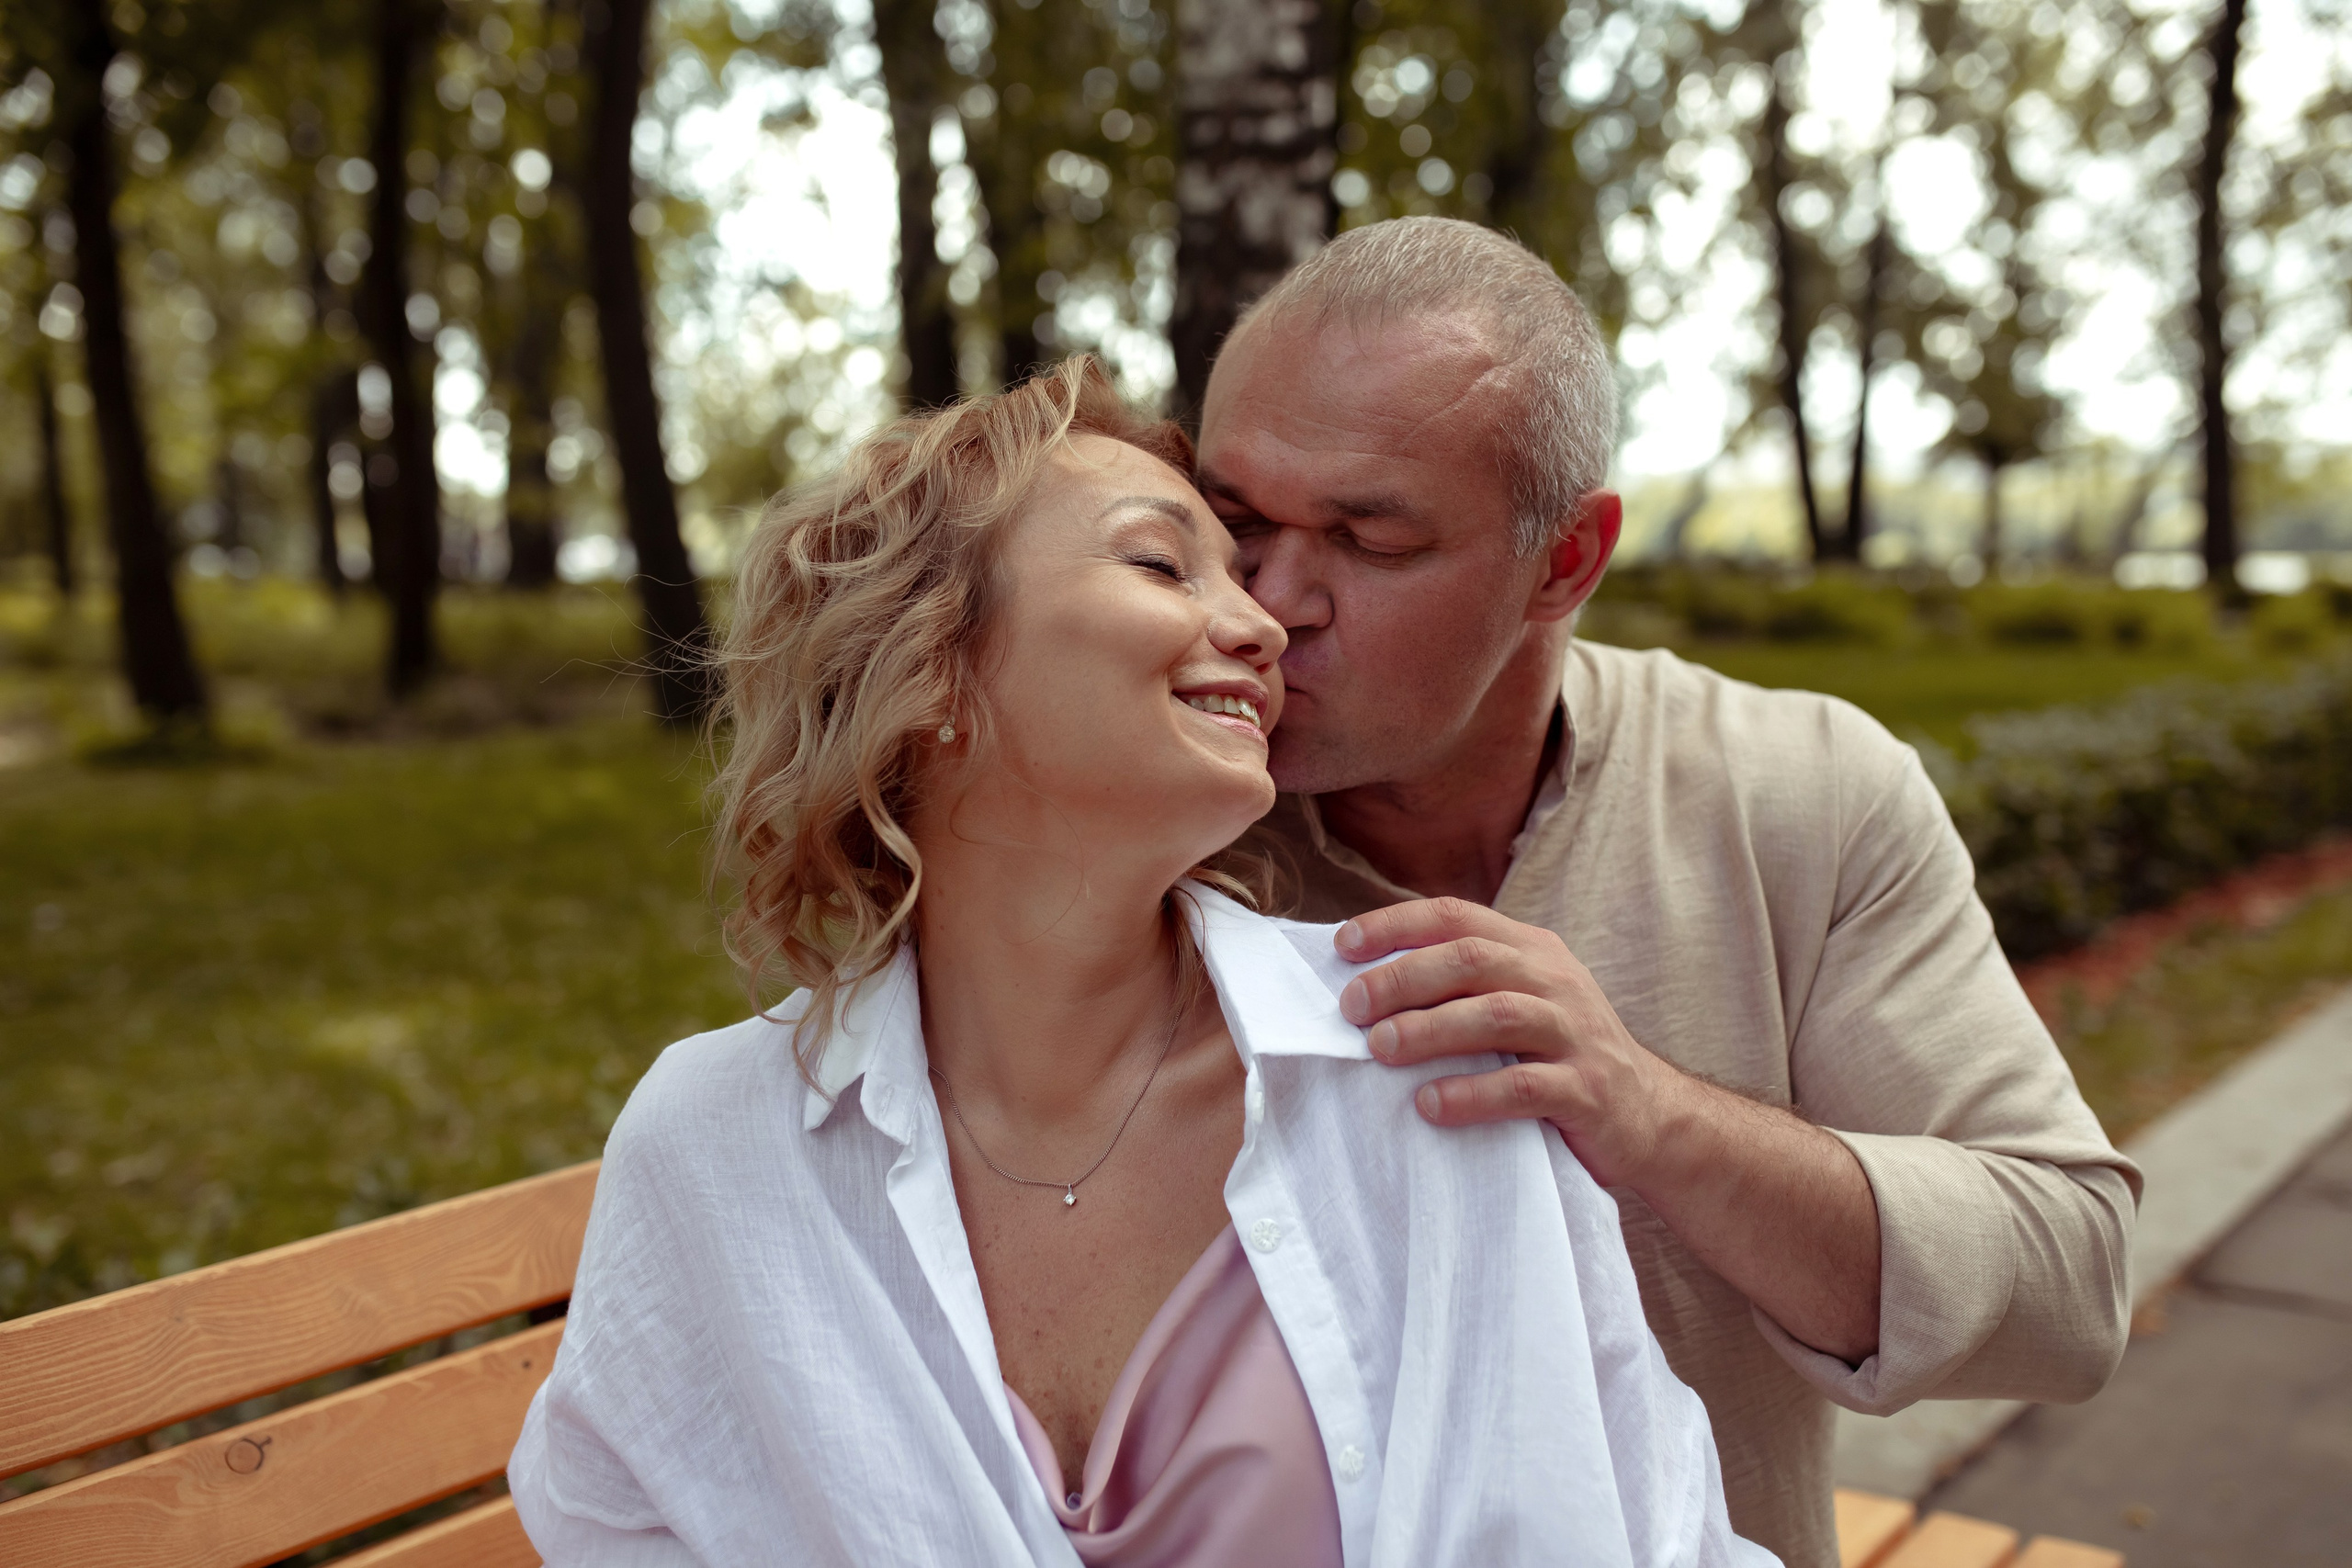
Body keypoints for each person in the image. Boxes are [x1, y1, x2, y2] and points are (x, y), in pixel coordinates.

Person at [507, 358, 1776, 1565]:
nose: (1265, 623)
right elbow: (625, 1532)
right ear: (935, 668)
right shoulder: (717, 1145)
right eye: (1165, 564)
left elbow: (1651, 1530)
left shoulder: (1421, 1053)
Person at [1193, 216, 2140, 1568]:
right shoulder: (1140, 833)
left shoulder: (1800, 791)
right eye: (1234, 520)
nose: (1271, 604)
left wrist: (1648, 1115)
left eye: (1368, 539)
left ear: (1566, 560)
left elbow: (2071, 1287)